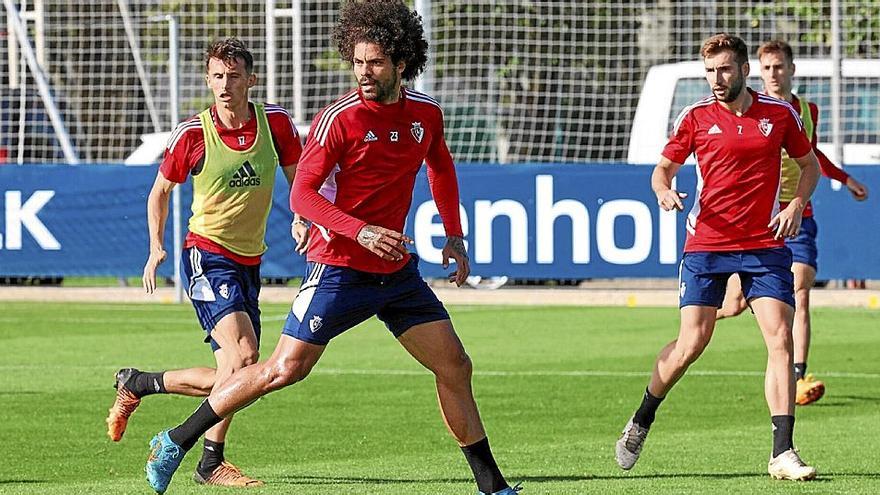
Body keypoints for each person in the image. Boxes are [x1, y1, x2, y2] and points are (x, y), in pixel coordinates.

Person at [142, 2, 518, 494]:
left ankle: (493, 487)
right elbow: (302, 194)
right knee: (281, 369)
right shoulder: (337, 119)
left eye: (376, 63)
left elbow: (440, 167)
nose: (364, 72)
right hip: (338, 267)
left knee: (455, 365)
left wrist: (454, 233)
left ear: (400, 64)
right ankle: (176, 440)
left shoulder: (426, 113)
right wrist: (358, 231)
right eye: (358, 62)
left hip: (396, 272)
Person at [614, 33, 821, 480]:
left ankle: (782, 452)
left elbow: (810, 166)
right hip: (707, 243)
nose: (716, 78)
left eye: (724, 69)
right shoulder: (696, 117)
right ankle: (644, 416)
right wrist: (664, 191)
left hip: (764, 246)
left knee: (779, 338)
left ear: (745, 70)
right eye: (709, 71)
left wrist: (795, 206)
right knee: (693, 343)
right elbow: (662, 170)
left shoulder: (779, 115)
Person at [107, 37, 306, 488]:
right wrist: (156, 247)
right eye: (217, 76)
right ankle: (207, 460)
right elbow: (159, 192)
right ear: (207, 80)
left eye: (234, 76)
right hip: (206, 254)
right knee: (246, 359)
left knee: (233, 374)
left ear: (251, 80)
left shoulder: (275, 123)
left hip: (249, 260)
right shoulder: (194, 133)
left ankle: (140, 383)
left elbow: (300, 178)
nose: (224, 85)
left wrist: (301, 215)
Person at [716, 39, 870, 406]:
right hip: (758, 217)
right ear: (758, 70)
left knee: (800, 291)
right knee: (735, 304)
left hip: (798, 214)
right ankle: (697, 320)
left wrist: (845, 179)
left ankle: (798, 375)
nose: (774, 73)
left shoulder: (806, 109)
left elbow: (810, 155)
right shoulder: (748, 109)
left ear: (791, 69)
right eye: (767, 67)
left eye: (780, 66)